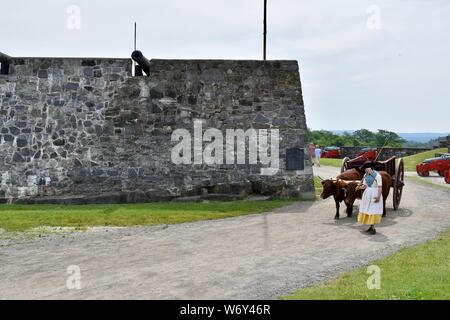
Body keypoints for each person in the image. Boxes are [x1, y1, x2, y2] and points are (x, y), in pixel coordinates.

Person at [357, 161, 383, 235]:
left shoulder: (378, 176)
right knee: (368, 209)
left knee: (373, 210)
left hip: (375, 193)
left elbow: (380, 187)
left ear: (370, 168)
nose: (365, 170)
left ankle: (373, 228)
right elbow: (365, 186)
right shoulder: (365, 175)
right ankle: (370, 227)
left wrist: (378, 196)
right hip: (367, 194)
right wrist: (359, 187)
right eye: (364, 169)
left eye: (366, 168)